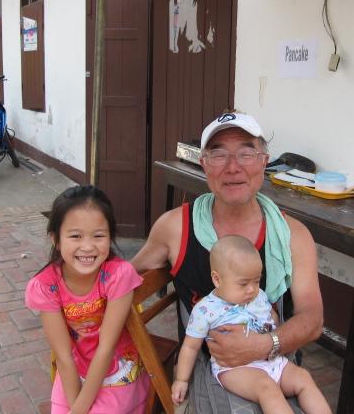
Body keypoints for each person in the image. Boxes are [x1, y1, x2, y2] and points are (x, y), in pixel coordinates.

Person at [132, 111, 324, 413]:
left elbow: (312, 320)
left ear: (264, 162)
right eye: (218, 154)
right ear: (203, 164)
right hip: (212, 369)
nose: (233, 167)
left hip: (277, 361)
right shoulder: (176, 227)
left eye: (246, 153)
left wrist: (263, 345)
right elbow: (126, 276)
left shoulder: (292, 235)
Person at [25, 185, 150, 414]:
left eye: (98, 236)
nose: (87, 246)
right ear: (56, 239)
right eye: (75, 236)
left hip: (116, 370)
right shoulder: (46, 286)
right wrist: (77, 407)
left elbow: (106, 347)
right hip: (73, 370)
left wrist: (79, 410)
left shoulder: (118, 276)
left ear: (110, 237)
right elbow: (63, 355)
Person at [171, 235, 331, 414]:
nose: (252, 289)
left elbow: (272, 319)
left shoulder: (258, 296)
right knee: (267, 389)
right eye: (243, 283)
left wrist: (273, 330)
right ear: (217, 279)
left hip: (270, 359)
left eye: (256, 281)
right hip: (234, 369)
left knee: (303, 377)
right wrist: (181, 380)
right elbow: (190, 347)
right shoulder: (205, 309)